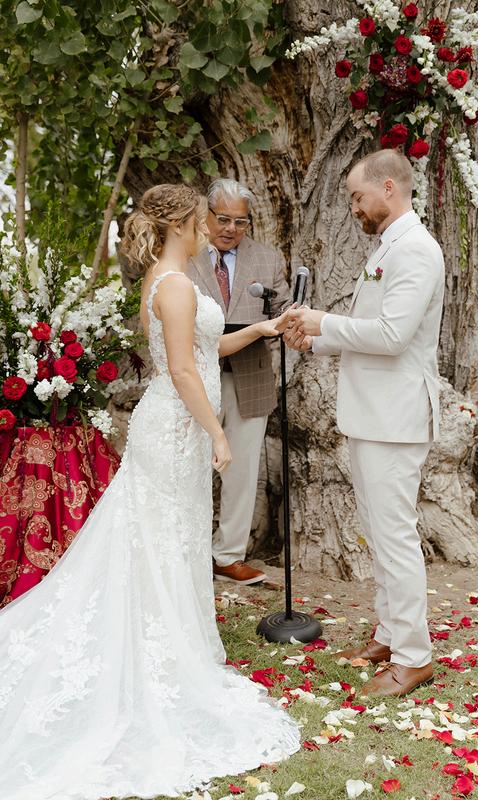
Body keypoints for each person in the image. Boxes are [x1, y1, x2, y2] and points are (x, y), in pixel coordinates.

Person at [0, 183, 299, 800]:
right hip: (175, 427)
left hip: (177, 425)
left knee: (172, 537)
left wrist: (262, 327)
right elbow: (184, 370)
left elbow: (209, 348)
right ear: (183, 224)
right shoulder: (176, 285)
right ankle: (156, 648)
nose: (208, 227)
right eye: (201, 218)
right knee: (160, 537)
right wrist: (218, 431)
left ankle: (170, 637)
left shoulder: (172, 280)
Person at [281, 150, 445, 697]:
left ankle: (414, 657)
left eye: (358, 196)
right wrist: (315, 339)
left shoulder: (415, 249)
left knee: (394, 536)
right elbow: (370, 328)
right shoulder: (388, 246)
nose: (354, 207)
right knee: (378, 532)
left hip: (395, 418)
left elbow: (393, 336)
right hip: (373, 414)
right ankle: (389, 634)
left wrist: (322, 320)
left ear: (389, 187)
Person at [187, 178, 290, 585]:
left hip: (251, 377)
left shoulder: (268, 259)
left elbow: (284, 310)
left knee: (243, 471)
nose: (231, 228)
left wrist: (282, 321)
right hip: (197, 378)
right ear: (206, 215)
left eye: (241, 222)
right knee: (191, 465)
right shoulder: (186, 255)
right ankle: (187, 553)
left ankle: (227, 556)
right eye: (223, 219)